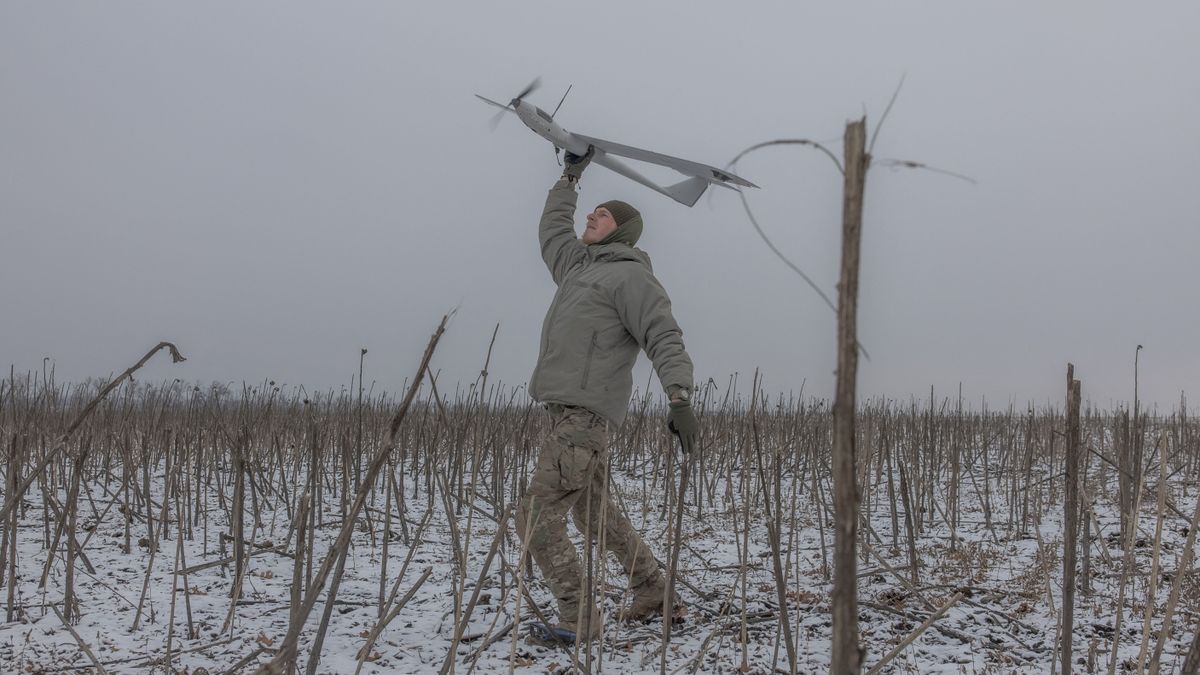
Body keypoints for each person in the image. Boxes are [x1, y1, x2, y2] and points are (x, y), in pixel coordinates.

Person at [516, 145, 701, 644]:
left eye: (601, 216)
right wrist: (569, 180)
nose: (591, 218)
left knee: (534, 515)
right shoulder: (578, 268)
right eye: (592, 211)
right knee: (591, 512)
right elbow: (552, 230)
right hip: (564, 412)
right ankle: (653, 592)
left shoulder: (631, 277)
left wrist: (679, 396)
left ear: (619, 230)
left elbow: (664, 335)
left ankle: (579, 617)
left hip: (585, 415)